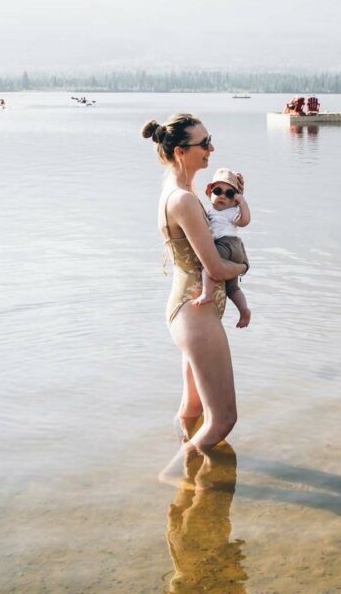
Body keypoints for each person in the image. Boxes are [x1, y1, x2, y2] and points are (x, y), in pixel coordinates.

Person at [141, 113, 248, 459]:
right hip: (196, 313)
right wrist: (244, 266)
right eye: (204, 144)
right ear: (180, 152)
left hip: (191, 310)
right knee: (224, 420)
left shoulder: (178, 188)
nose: (211, 148)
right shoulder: (183, 200)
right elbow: (215, 268)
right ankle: (173, 473)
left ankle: (185, 494)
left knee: (193, 409)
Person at [193, 168, 252, 328]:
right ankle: (244, 310)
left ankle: (207, 293)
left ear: (234, 200)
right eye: (218, 191)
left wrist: (242, 202)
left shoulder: (232, 211)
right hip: (236, 250)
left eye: (230, 194)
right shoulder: (209, 210)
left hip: (225, 244)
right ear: (210, 193)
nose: (223, 196)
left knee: (209, 264)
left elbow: (245, 221)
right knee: (232, 288)